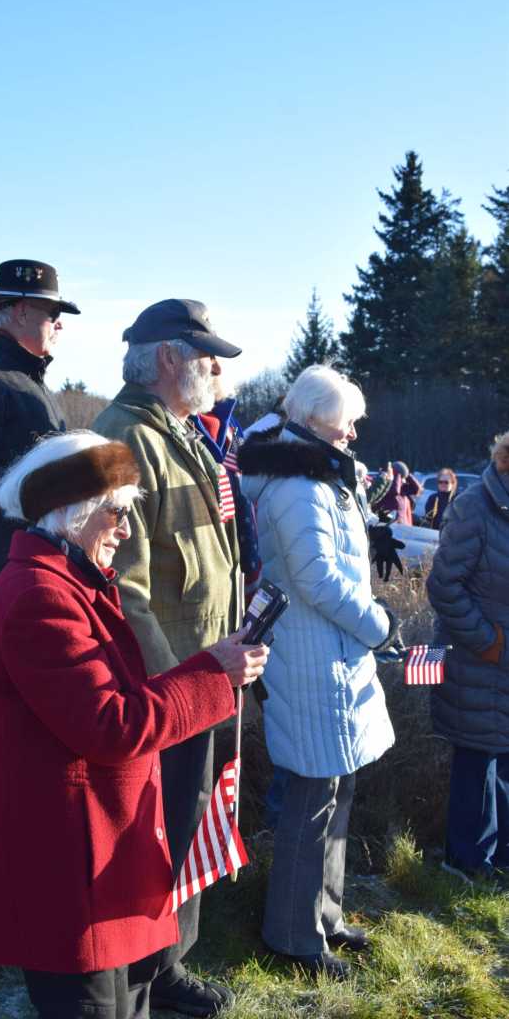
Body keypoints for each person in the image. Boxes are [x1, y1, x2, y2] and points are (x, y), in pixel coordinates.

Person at [0, 430, 269, 1019]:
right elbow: (112, 725)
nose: (127, 530)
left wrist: (210, 669)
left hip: (98, 854)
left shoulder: (67, 583)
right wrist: (214, 675)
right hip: (67, 869)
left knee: (127, 1001)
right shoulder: (40, 598)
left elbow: (117, 697)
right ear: (70, 513)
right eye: (117, 512)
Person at [93, 299, 243, 1017]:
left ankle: (167, 963)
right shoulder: (123, 438)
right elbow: (123, 588)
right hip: (169, 687)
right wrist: (167, 689)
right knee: (157, 838)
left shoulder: (178, 433)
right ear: (165, 359)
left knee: (184, 831)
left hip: (202, 674)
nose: (217, 368)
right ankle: (149, 974)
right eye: (206, 353)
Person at [238, 364, 399, 980]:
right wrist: (380, 624)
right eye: (345, 425)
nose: (352, 435)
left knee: (335, 792)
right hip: (312, 662)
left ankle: (324, 915)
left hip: (332, 657)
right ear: (311, 422)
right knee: (310, 800)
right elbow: (319, 581)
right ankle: (293, 935)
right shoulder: (298, 487)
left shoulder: (316, 474)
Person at [0, 259, 80, 644]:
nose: (60, 324)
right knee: (0, 665)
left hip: (35, 547)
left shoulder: (30, 379)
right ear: (21, 311)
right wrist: (42, 501)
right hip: (1, 551)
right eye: (53, 312)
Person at [426, 433, 509, 882]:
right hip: (479, 661)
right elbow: (443, 587)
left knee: (504, 766)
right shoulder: (475, 507)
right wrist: (488, 641)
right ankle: (463, 864)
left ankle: (498, 861)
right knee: (477, 764)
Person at [193, 375, 261, 602]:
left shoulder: (230, 425)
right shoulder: (186, 426)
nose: (217, 368)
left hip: (241, 558)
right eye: (208, 356)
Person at [374, 460, 422, 525]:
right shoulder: (385, 487)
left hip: (403, 526)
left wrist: (407, 474)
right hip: (388, 526)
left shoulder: (403, 489)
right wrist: (397, 473)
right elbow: (395, 491)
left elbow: (417, 489)